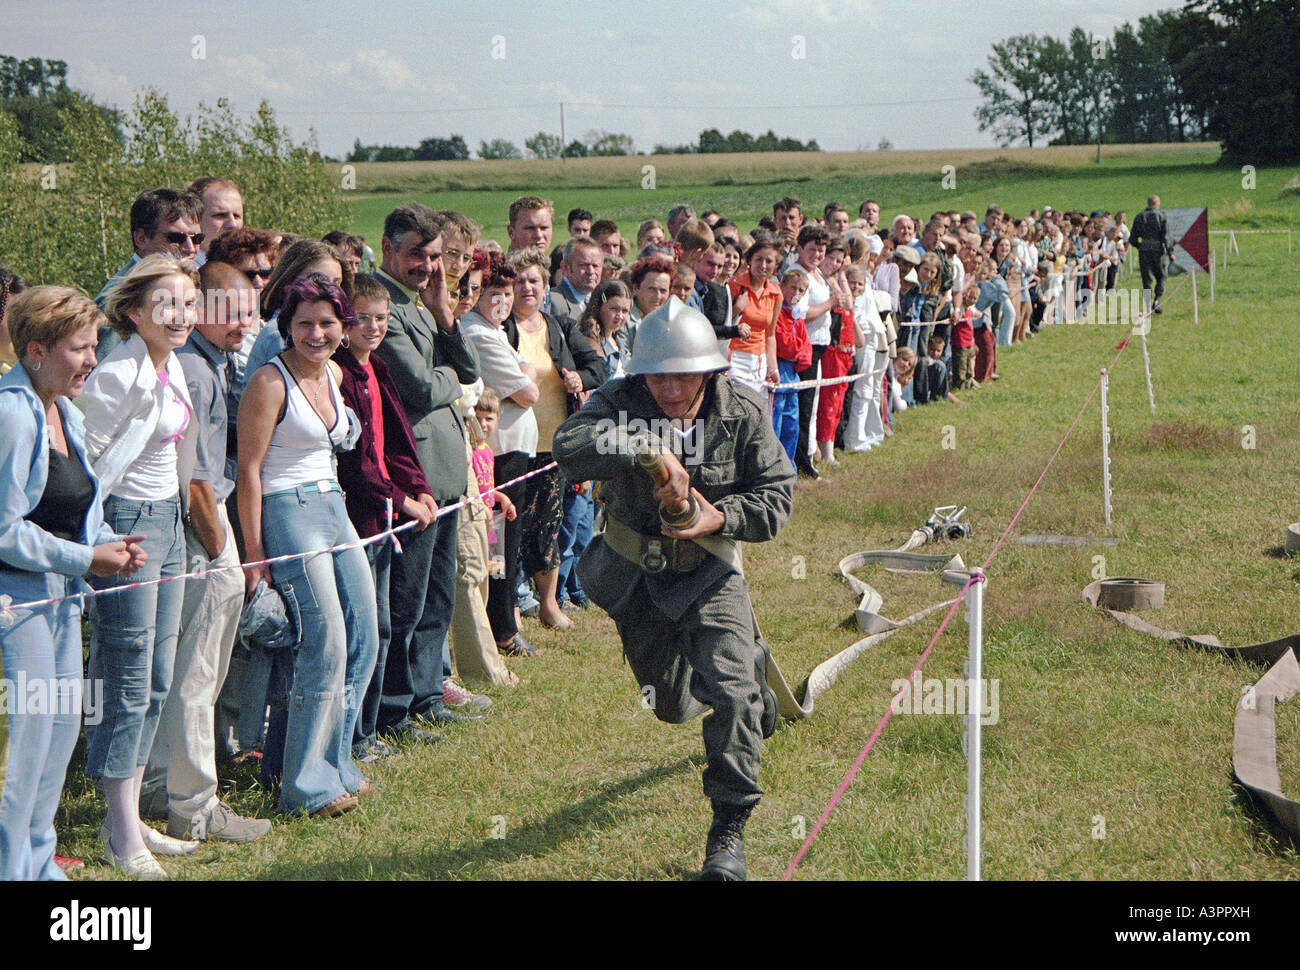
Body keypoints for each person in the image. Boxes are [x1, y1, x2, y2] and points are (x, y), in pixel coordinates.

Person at [552, 297, 794, 880]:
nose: (669, 387)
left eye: (684, 374)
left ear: (709, 369)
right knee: (669, 702)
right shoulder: (622, 399)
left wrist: (721, 517)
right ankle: (744, 668)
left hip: (709, 572)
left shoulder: (742, 409)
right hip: (636, 575)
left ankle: (728, 830)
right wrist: (643, 447)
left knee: (730, 694)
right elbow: (568, 447)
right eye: (657, 374)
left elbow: (778, 495)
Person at [0, 287, 146, 880]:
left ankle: (38, 861)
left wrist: (108, 543)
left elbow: (77, 509)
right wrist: (86, 557)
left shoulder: (65, 410)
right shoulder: (10, 413)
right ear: (35, 351)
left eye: (93, 345)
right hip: (17, 605)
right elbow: (4, 529)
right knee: (26, 747)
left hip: (58, 598)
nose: (93, 359)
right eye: (80, 348)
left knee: (58, 737)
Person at [139, 261, 271, 844]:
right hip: (201, 535)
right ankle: (193, 806)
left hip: (198, 530)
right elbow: (192, 475)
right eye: (232, 311)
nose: (244, 324)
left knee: (191, 670)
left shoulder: (205, 360)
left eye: (249, 311)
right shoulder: (193, 368)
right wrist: (219, 545)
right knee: (198, 671)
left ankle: (163, 784)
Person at [237, 275, 378, 817]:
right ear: (286, 327)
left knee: (364, 632)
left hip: (333, 506)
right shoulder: (270, 383)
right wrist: (255, 557)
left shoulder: (337, 373)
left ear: (343, 327)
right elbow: (248, 472)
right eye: (304, 324)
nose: (315, 334)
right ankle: (303, 786)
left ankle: (334, 762)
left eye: (326, 323)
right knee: (325, 642)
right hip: (287, 511)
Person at [83, 254, 203, 877]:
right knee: (126, 678)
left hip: (170, 523)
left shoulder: (172, 364)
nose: (182, 316)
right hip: (126, 526)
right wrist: (99, 542)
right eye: (167, 305)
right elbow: (84, 466)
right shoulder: (119, 371)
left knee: (157, 675)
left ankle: (128, 820)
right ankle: (120, 832)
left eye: (189, 303)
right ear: (135, 312)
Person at [372, 204, 483, 738]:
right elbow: (419, 386)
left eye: (435, 255)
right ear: (389, 248)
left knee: (438, 596)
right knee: (407, 601)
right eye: (417, 253)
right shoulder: (381, 309)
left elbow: (467, 370)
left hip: (446, 472)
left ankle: (424, 695)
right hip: (414, 476)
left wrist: (444, 316)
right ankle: (395, 708)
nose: (428, 265)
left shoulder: (420, 305)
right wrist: (451, 383)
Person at [331, 273, 439, 760]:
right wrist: (401, 499)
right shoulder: (338, 374)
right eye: (363, 319)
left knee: (387, 624)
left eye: (382, 319)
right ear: (345, 321)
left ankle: (373, 726)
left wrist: (418, 486)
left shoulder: (377, 368)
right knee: (362, 629)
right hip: (358, 515)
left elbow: (395, 443)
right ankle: (353, 736)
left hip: (385, 513)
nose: (373, 328)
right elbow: (357, 463)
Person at [503, 246, 602, 630]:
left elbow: (596, 365)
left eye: (534, 281)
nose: (527, 288)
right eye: (519, 281)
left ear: (546, 286)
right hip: (512, 446)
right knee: (513, 528)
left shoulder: (557, 323)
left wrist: (581, 379)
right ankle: (510, 604)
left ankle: (548, 604)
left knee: (549, 524)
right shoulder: (500, 327)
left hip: (553, 445)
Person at [462, 253, 540, 657]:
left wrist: (525, 371)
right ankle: (502, 628)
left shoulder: (495, 332)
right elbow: (530, 391)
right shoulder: (477, 332)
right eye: (493, 293)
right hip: (501, 454)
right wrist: (526, 374)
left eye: (508, 293)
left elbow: (528, 372)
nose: (503, 302)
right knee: (498, 548)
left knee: (507, 544)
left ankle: (505, 620)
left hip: (514, 451)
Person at [94, 189, 204, 356]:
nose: (190, 248)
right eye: (176, 238)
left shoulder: (182, 283)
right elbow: (102, 369)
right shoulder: (118, 299)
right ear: (141, 238)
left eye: (197, 239)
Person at [773, 269, 811, 467]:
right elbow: (785, 347)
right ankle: (774, 470)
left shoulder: (797, 315)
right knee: (775, 424)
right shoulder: (777, 312)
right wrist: (798, 351)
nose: (796, 293)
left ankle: (789, 469)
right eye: (793, 287)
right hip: (778, 372)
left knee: (791, 425)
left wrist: (799, 353)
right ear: (782, 287)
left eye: (802, 290)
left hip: (793, 376)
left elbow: (807, 350)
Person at [187, 177, 244, 258]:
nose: (232, 224)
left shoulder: (256, 267)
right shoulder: (177, 269)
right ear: (192, 218)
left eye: (237, 216)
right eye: (220, 215)